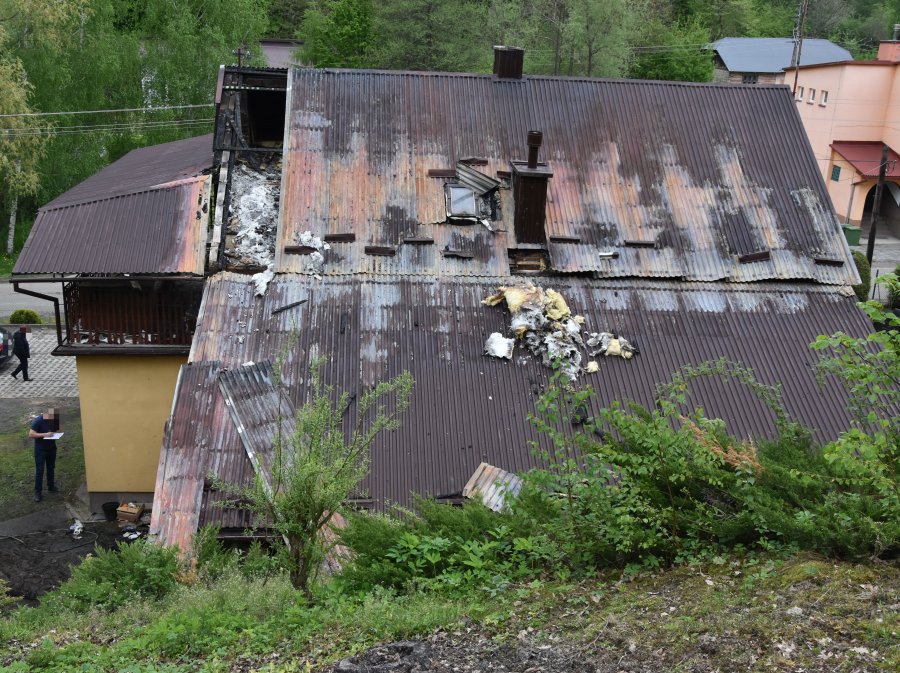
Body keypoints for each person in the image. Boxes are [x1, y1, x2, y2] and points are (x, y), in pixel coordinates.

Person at [29, 408, 59, 502]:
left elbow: (56, 429)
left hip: (51, 448)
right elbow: (31, 434)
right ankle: (38, 492)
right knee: (40, 470)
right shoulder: (38, 420)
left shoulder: (54, 420)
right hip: (40, 450)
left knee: (51, 467)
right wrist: (45, 434)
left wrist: (57, 433)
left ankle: (51, 486)